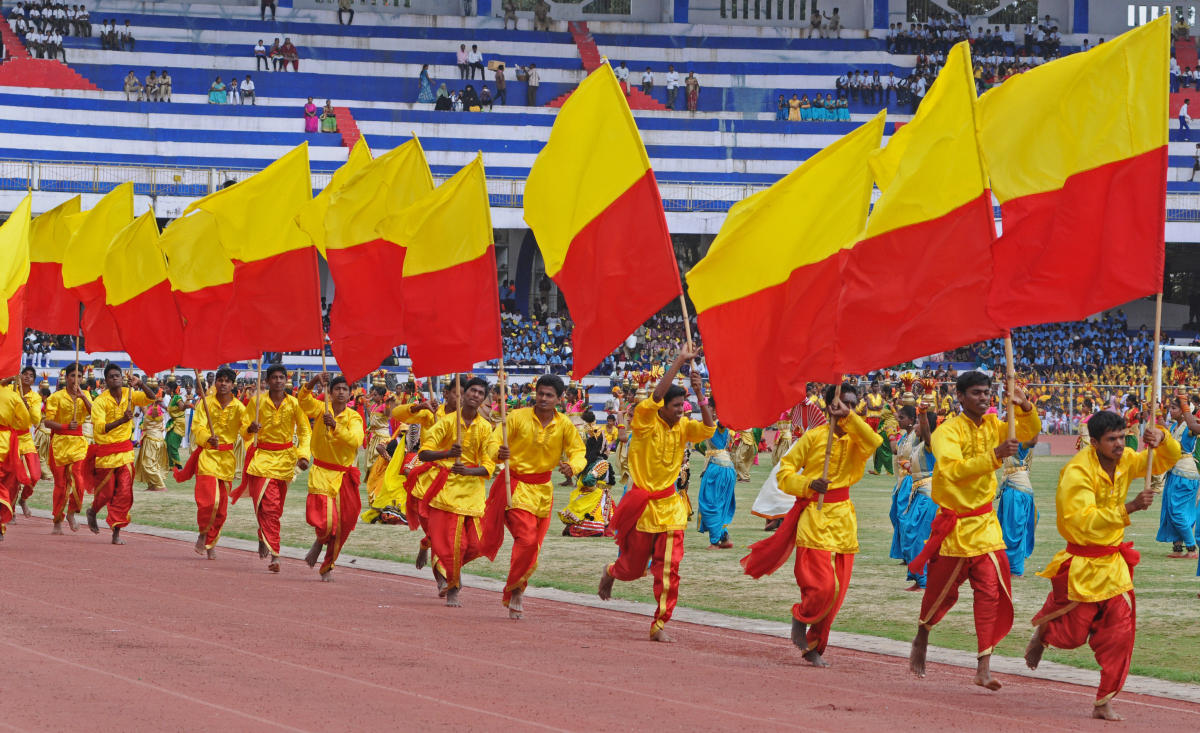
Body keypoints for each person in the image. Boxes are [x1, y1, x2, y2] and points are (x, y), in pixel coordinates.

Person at [1024, 411, 1178, 721]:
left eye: (1123, 437)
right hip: (1083, 561)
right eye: (1112, 440)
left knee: (1121, 633)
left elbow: (1164, 459)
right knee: (1072, 635)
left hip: (1115, 564)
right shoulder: (1077, 471)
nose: (1120, 444)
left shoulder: (1128, 460)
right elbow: (1081, 521)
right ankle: (1043, 633)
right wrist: (1130, 507)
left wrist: (1162, 438)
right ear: (1094, 442)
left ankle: (1103, 701)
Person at [908, 371, 1041, 689]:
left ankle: (984, 665)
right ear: (960, 396)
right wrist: (994, 455)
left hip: (985, 525)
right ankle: (923, 634)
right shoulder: (947, 432)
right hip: (954, 527)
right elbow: (953, 471)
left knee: (990, 593)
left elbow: (1030, 435)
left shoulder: (997, 425)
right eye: (977, 393)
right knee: (940, 594)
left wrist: (1024, 408)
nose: (984, 397)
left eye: (987, 393)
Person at [741, 383, 882, 666]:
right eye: (842, 403)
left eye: (853, 404)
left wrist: (850, 419)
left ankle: (815, 646)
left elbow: (875, 443)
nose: (848, 408)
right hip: (814, 518)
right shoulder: (813, 438)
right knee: (823, 587)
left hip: (844, 520)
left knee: (838, 593)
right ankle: (800, 615)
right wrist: (808, 484)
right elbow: (784, 474)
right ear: (828, 406)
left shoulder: (859, 439)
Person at [598, 346, 715, 641]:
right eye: (676, 405)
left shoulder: (685, 427)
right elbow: (655, 396)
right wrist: (680, 360)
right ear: (663, 406)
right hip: (642, 507)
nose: (680, 409)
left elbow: (710, 428)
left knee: (669, 570)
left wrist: (700, 395)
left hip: (671, 508)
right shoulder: (645, 421)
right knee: (633, 568)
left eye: (682, 405)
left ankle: (660, 623)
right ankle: (612, 571)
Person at [490, 375, 586, 618]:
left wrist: (572, 467)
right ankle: (515, 590)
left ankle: (517, 587)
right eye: (540, 393)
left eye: (549, 395)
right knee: (527, 539)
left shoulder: (564, 424)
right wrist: (498, 452)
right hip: (516, 486)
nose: (543, 399)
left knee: (534, 547)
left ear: (560, 399)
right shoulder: (516, 417)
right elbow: (492, 443)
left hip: (544, 492)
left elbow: (579, 452)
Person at [415, 377, 496, 606]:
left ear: (483, 399)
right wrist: (447, 453)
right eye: (472, 391)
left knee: (479, 544)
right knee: (453, 544)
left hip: (473, 491)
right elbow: (424, 453)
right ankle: (452, 587)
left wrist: (470, 472)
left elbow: (489, 465)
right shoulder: (446, 422)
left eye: (481, 393)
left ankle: (429, 546)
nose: (475, 395)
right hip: (447, 489)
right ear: (464, 394)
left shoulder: (485, 428)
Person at [236, 364, 312, 573]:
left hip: (286, 461)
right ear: (267, 381)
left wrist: (303, 455)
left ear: (286, 380)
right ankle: (276, 554)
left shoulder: (294, 404)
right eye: (275, 377)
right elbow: (243, 430)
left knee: (275, 508)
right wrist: (250, 429)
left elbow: (305, 432)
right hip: (262, 459)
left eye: (282, 377)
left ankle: (264, 535)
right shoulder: (256, 402)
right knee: (268, 505)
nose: (279, 381)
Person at [297, 375, 363, 581]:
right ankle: (319, 540)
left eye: (345, 389)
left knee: (344, 524)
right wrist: (314, 380)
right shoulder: (320, 408)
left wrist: (335, 426)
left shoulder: (355, 417)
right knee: (326, 523)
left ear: (350, 393)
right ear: (330, 392)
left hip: (344, 475)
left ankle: (328, 565)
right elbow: (303, 401)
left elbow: (356, 440)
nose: (341, 392)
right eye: (337, 389)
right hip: (322, 472)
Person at [177, 367, 245, 560]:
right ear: (215, 383)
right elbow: (197, 427)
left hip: (227, 460)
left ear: (233, 385)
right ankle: (202, 533)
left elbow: (247, 431)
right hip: (207, 456)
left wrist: (252, 428)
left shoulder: (239, 407)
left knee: (222, 508)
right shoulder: (205, 403)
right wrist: (207, 438)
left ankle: (211, 541)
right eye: (220, 380)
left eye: (227, 381)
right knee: (209, 501)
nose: (223, 383)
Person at [86, 364, 156, 545]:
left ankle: (116, 531)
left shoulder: (129, 393)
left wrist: (140, 383)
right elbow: (100, 429)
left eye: (117, 375)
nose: (115, 378)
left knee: (124, 492)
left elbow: (152, 398)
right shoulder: (100, 401)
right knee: (106, 492)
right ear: (106, 381)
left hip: (125, 452)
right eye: (111, 376)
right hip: (106, 452)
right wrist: (122, 420)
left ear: (122, 378)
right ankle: (93, 510)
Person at [42, 362, 90, 533]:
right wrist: (64, 427)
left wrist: (83, 397)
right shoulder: (56, 397)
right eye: (73, 376)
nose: (76, 379)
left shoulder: (86, 395)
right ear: (66, 377)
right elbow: (47, 422)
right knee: (61, 484)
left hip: (78, 443)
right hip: (60, 444)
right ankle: (57, 521)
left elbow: (95, 413)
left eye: (79, 376)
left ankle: (71, 512)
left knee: (79, 480)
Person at [1157, 393, 1199, 558]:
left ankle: (1191, 549)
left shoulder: (1190, 426)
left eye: (1174, 408)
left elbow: (1178, 446)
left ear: (1183, 411)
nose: (1170, 411)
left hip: (1185, 473)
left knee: (1177, 511)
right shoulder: (1174, 427)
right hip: (1174, 471)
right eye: (1169, 408)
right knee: (1170, 508)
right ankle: (1177, 548)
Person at [996, 432, 1040, 575]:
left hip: (1017, 491)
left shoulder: (1020, 441)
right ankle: (1009, 566)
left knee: (1012, 530)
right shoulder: (1008, 439)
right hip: (1012, 489)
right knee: (1009, 528)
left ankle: (1013, 569)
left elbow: (1032, 439)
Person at [696, 397, 736, 549]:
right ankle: (723, 536)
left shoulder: (719, 424)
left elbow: (721, 424)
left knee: (709, 503)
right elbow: (699, 445)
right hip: (723, 467)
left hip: (718, 469)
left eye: (709, 408)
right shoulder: (708, 426)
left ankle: (715, 541)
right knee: (719, 503)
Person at [559, 431, 613, 537]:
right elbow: (588, 480)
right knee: (595, 520)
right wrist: (594, 488)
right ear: (601, 448)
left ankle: (573, 527)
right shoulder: (601, 463)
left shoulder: (585, 461)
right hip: (595, 496)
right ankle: (582, 528)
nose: (609, 449)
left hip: (583, 494)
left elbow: (579, 477)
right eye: (607, 446)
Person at [0, 384, 34, 539]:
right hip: (6, 443)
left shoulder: (14, 395)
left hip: (9, 443)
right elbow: (25, 422)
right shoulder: (13, 396)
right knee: (5, 484)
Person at [10, 366, 43, 518]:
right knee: (13, 477)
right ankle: (11, 509)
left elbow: (36, 421)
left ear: (34, 380)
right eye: (25, 374)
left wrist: (27, 406)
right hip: (10, 438)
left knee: (35, 475)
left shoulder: (36, 397)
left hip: (26, 438)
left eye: (31, 375)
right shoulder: (11, 391)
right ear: (20, 376)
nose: (27, 377)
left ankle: (23, 499)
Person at [133, 400, 169, 491]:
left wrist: (155, 405)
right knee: (151, 464)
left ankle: (160, 485)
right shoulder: (153, 409)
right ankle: (152, 485)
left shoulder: (154, 410)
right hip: (153, 439)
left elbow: (153, 414)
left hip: (152, 441)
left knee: (148, 464)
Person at [164, 380, 187, 468]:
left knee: (173, 444)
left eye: (167, 388)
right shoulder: (172, 398)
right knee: (167, 443)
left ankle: (178, 466)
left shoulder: (177, 398)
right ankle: (171, 465)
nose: (165, 390)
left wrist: (187, 403)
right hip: (173, 422)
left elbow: (182, 408)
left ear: (172, 389)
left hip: (179, 423)